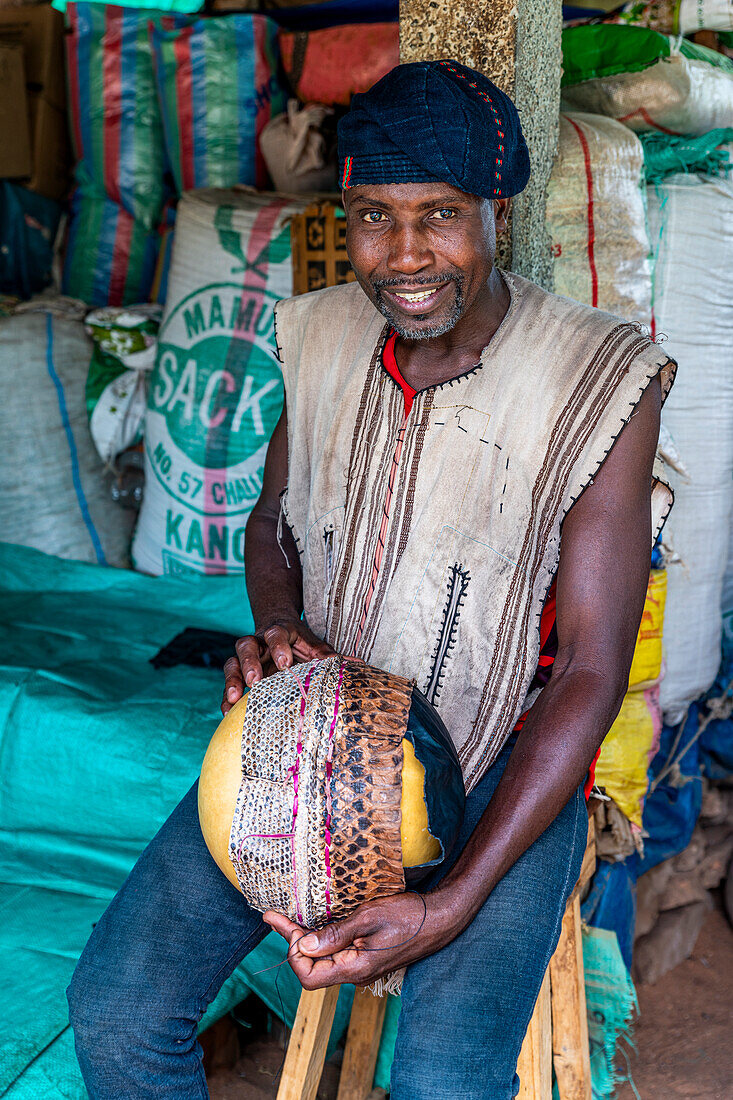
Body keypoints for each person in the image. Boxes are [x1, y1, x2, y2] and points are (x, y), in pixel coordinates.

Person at [67, 61, 676, 1099]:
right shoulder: (316, 333)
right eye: (371, 217)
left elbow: (587, 669)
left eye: (439, 215)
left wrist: (446, 906)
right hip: (313, 738)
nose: (403, 256)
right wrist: (278, 630)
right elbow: (273, 520)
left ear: (498, 210)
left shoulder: (599, 375)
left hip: (504, 762)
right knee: (119, 1014)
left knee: (443, 1078)